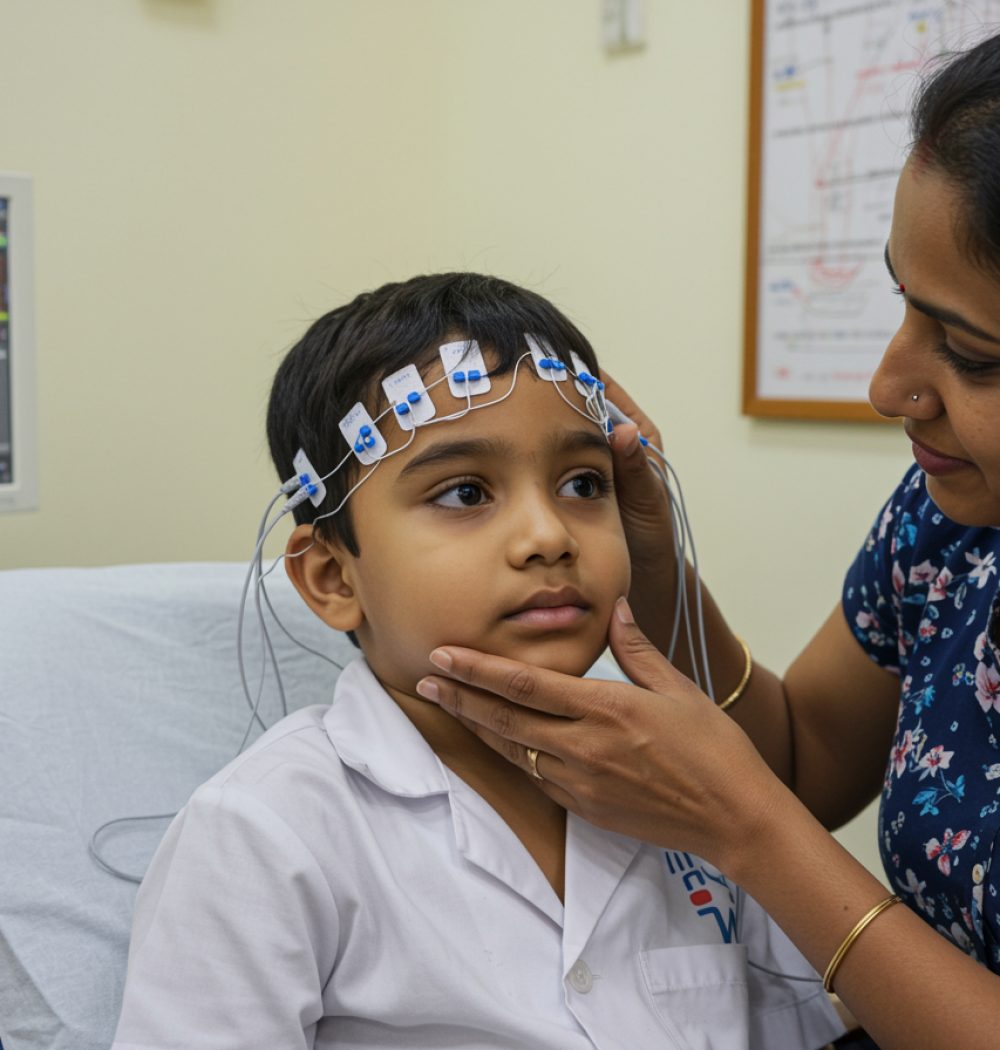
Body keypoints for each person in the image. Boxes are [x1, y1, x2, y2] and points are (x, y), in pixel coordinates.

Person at [414, 33, 1000, 1050]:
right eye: (467, 491)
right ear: (325, 572)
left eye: (967, 352)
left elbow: (769, 811)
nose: (885, 385)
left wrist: (743, 829)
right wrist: (654, 562)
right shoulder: (947, 523)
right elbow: (806, 760)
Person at [110, 273, 844, 1050]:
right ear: (333, 578)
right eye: (465, 494)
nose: (548, 534)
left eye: (582, 483)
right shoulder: (267, 834)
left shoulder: (692, 789)